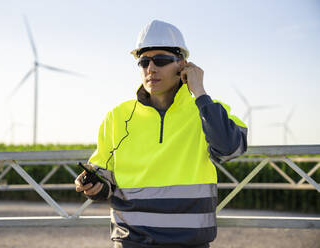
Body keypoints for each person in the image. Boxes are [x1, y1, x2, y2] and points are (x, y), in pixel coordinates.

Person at [75, 20, 248, 248]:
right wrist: (93, 185)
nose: (151, 68)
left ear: (183, 65)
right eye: (144, 61)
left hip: (190, 244)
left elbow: (230, 148)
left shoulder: (208, 109)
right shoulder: (117, 116)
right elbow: (104, 177)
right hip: (131, 242)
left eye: (162, 60)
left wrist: (200, 93)